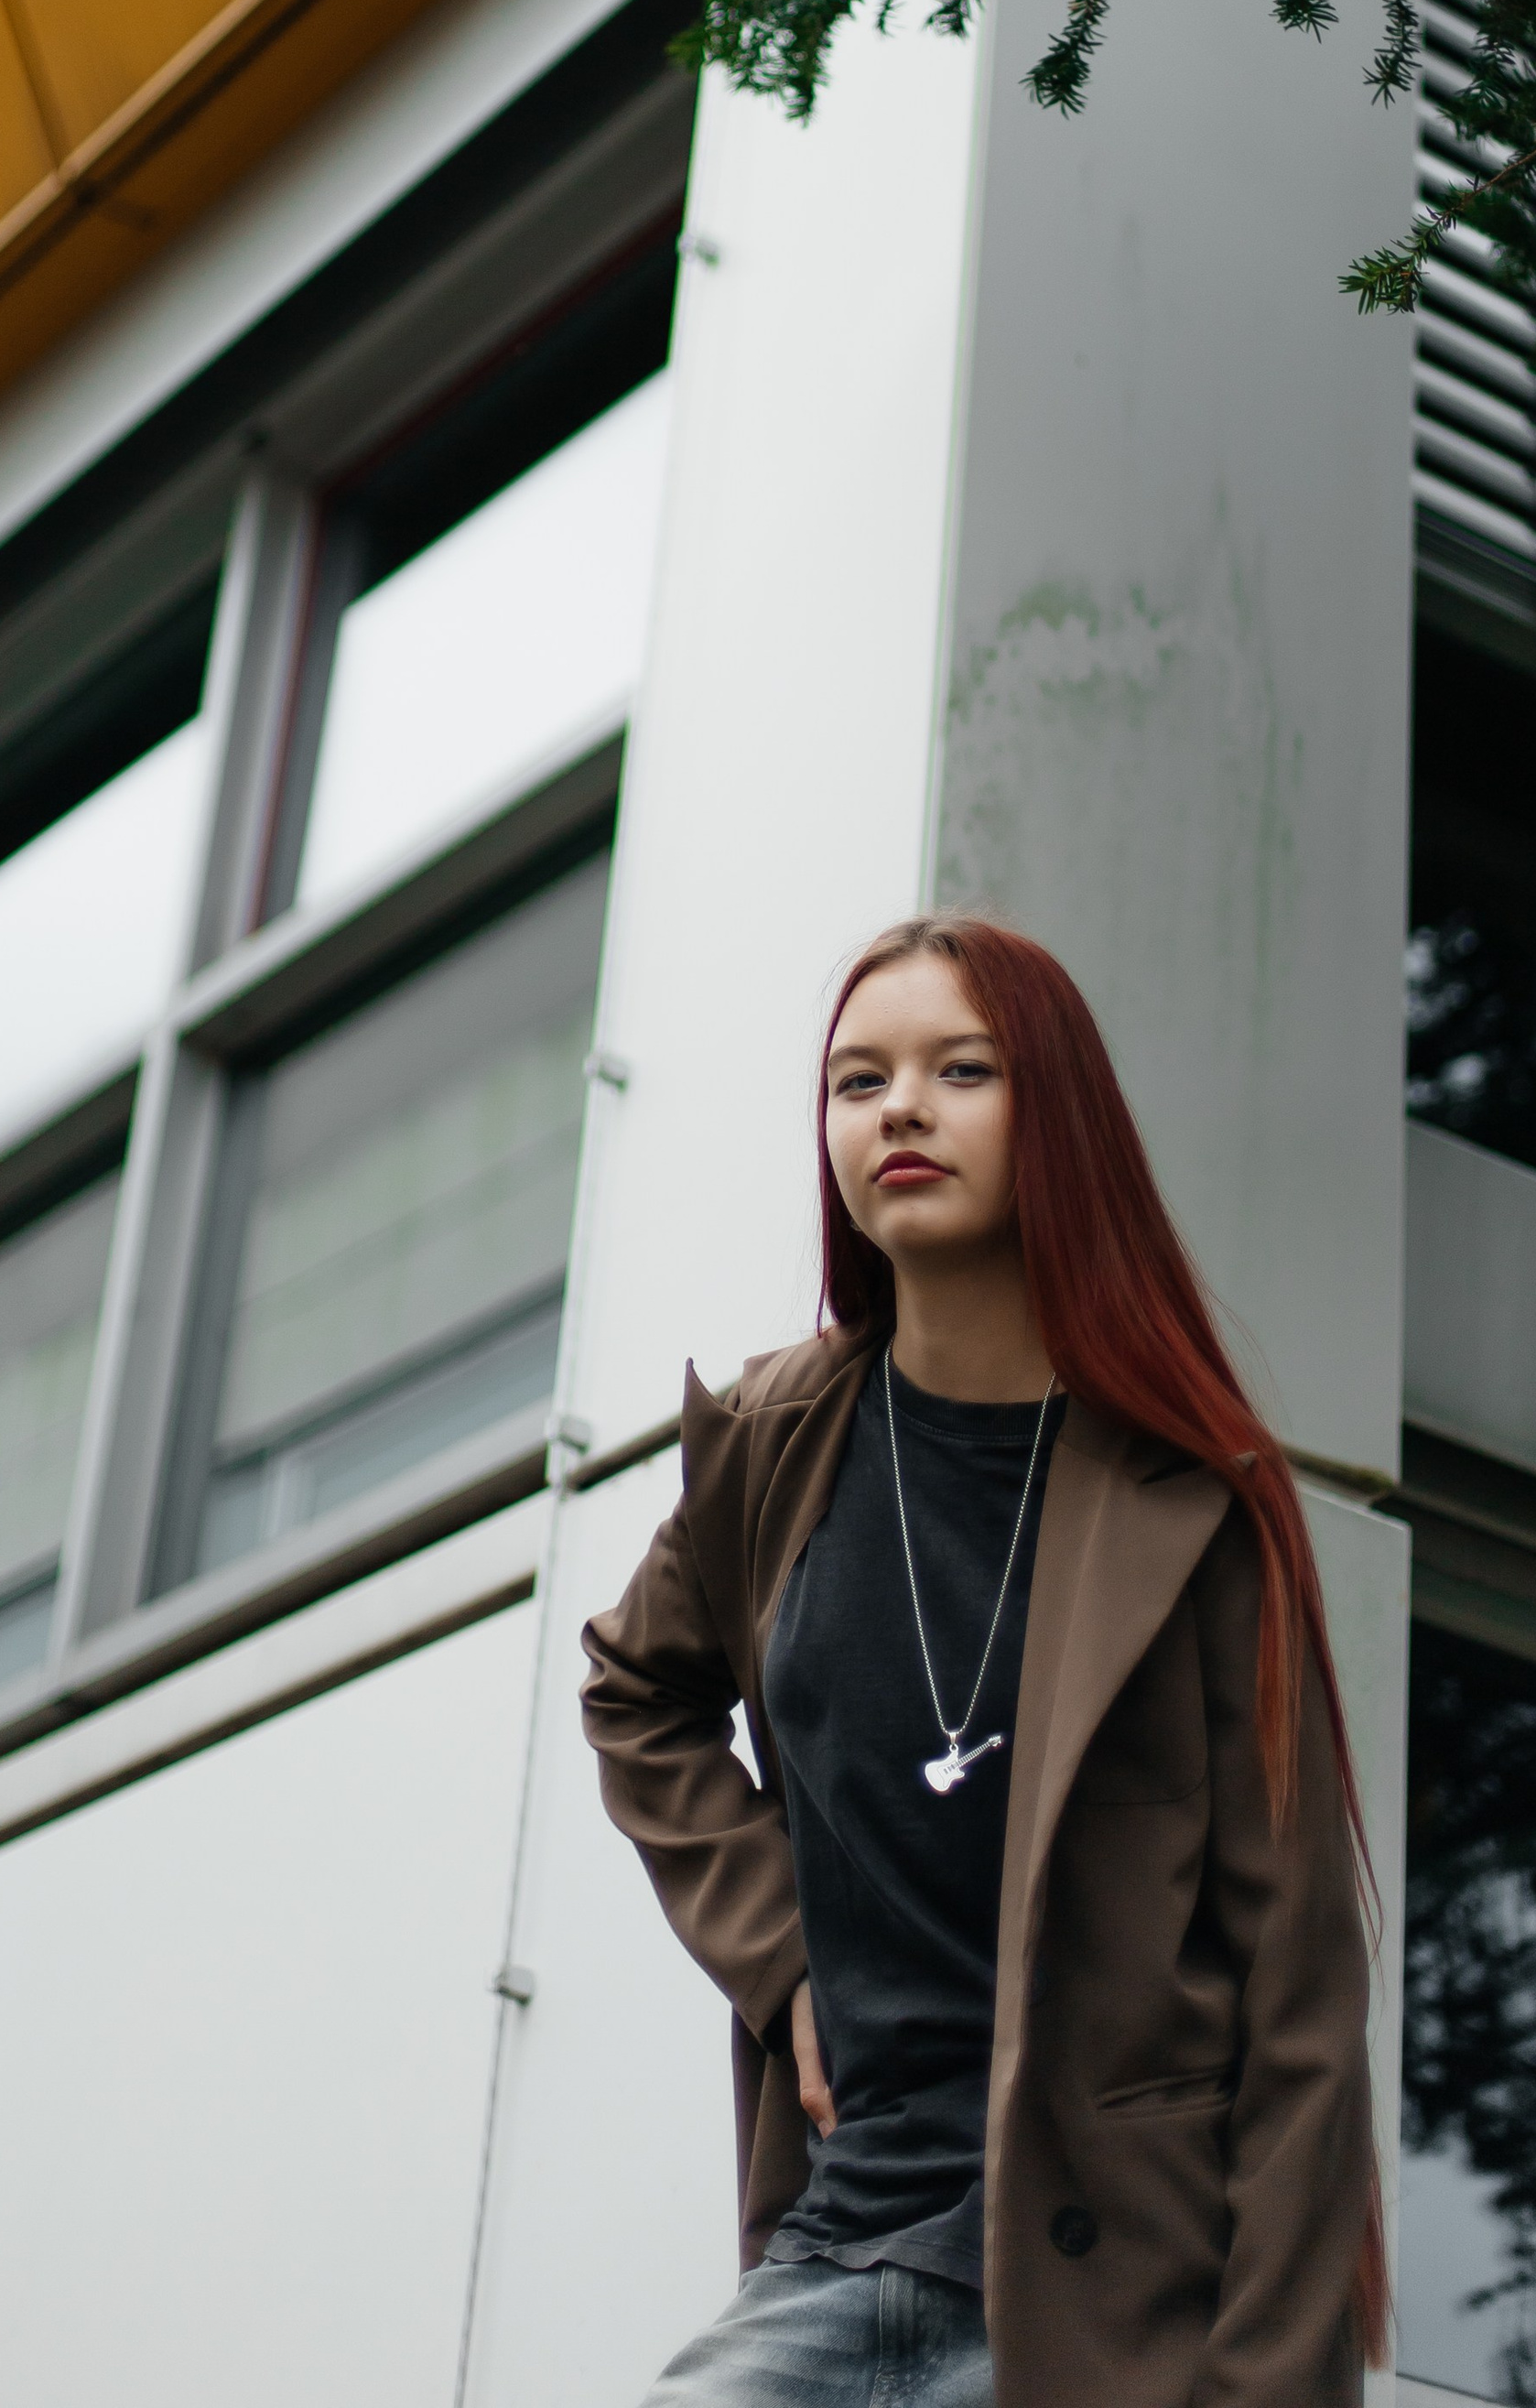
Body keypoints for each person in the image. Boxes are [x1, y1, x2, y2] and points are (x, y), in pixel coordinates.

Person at [580, 912, 1389, 2408]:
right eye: (858, 1080)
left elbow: (1302, 2019)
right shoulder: (769, 1445)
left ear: (1058, 1117)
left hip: (1102, 2318)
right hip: (833, 2253)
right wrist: (782, 1960)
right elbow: (637, 1694)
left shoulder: (1195, 1507)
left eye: (962, 1069)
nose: (900, 1108)